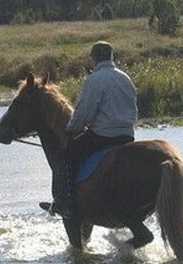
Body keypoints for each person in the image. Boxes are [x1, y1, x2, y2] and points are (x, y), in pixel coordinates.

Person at [42, 41, 138, 218]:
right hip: (127, 135)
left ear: (94, 58)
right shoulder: (125, 78)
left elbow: (84, 113)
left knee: (64, 158)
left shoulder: (94, 80)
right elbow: (133, 108)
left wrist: (71, 129)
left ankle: (64, 203)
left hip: (103, 136)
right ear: (111, 56)